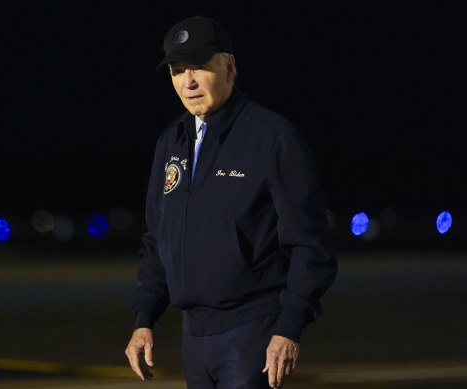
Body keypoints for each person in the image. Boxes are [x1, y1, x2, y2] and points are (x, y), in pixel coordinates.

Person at [125, 15, 337, 389]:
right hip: (193, 337)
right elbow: (158, 240)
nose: (188, 82)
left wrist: (289, 327)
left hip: (252, 333)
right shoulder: (170, 144)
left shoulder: (273, 139)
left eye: (200, 68)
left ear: (229, 66)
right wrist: (144, 319)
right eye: (177, 71)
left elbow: (310, 244)